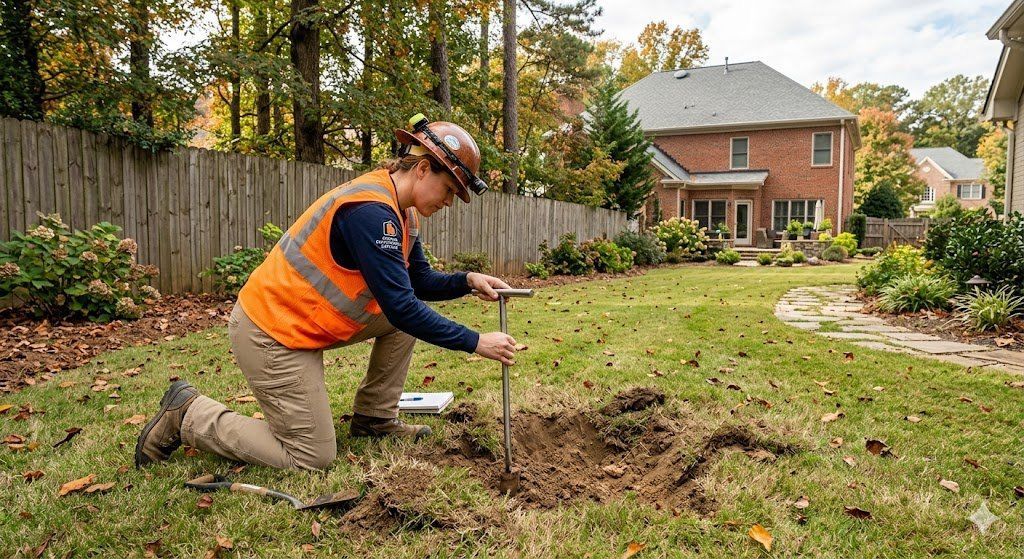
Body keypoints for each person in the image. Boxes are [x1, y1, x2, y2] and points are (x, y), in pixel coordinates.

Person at [135, 117, 517, 470]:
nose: (450, 201)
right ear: (421, 168)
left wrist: (467, 280)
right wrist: (476, 341)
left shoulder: (402, 213)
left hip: (303, 324)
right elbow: (401, 307)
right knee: (311, 456)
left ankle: (375, 420)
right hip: (271, 332)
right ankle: (189, 414)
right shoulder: (370, 211)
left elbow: (417, 284)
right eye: (450, 188)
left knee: (405, 320)